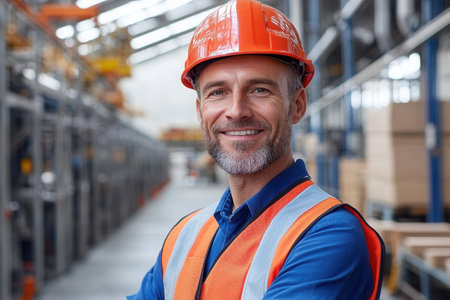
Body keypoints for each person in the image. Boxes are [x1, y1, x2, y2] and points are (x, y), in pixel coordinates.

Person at [128, 0, 384, 299]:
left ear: (297, 105)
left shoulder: (328, 236)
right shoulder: (184, 236)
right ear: (200, 111)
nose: (236, 111)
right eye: (218, 92)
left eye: (259, 89)